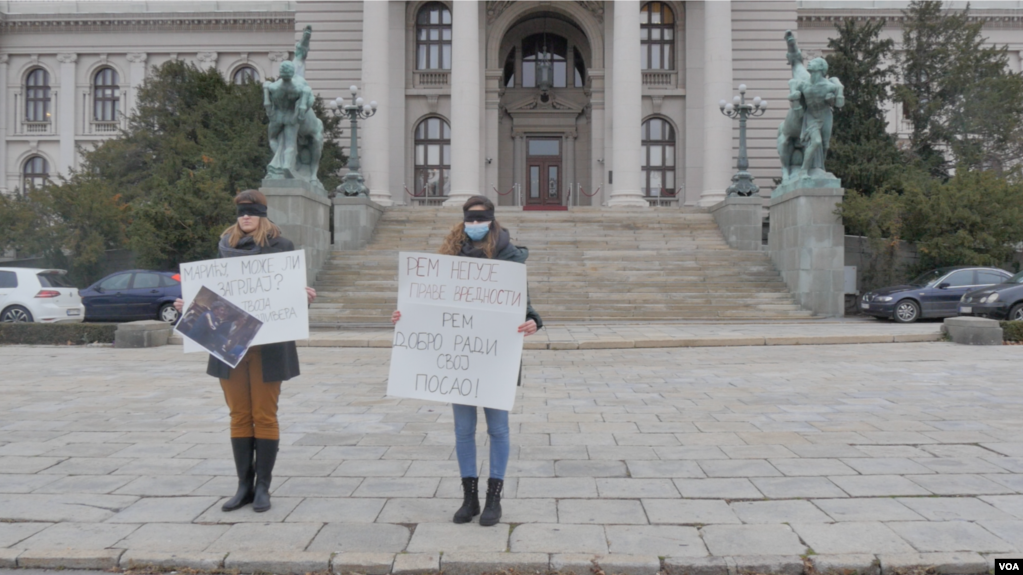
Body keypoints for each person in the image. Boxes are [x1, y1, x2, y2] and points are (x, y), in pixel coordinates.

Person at [391, 195, 542, 527]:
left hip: (495, 358)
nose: (475, 225)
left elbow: (526, 307)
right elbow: (426, 305)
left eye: (481, 219)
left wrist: (534, 321)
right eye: (470, 220)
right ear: (463, 221)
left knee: (498, 429)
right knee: (463, 430)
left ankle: (494, 498)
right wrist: (406, 315)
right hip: (459, 358)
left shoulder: (511, 258)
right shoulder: (448, 258)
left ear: (491, 220)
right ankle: (469, 497)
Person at [175, 190, 316, 513]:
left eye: (252, 212)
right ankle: (244, 486)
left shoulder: (281, 247)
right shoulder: (226, 248)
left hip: (269, 345)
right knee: (239, 414)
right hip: (229, 346)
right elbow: (211, 293)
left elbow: (289, 292)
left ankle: (263, 486)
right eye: (241, 212)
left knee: (264, 414)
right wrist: (189, 303)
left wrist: (303, 296)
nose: (246, 217)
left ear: (263, 214)